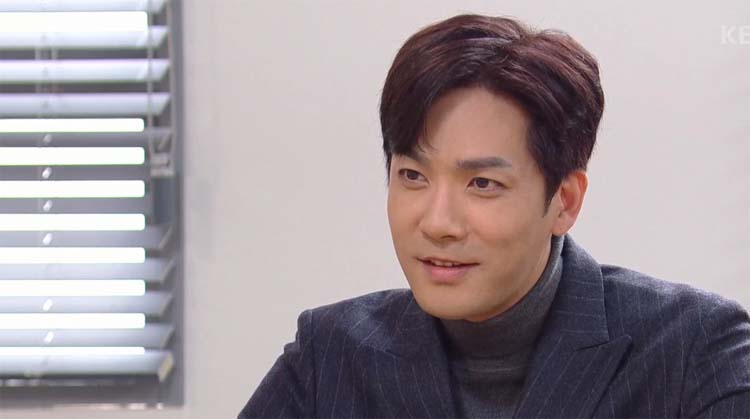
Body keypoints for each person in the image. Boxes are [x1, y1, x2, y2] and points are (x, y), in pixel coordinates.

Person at [238, 14, 750, 418]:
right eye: (413, 175)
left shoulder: (696, 350)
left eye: (482, 184)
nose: (438, 223)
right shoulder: (329, 356)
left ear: (565, 201)